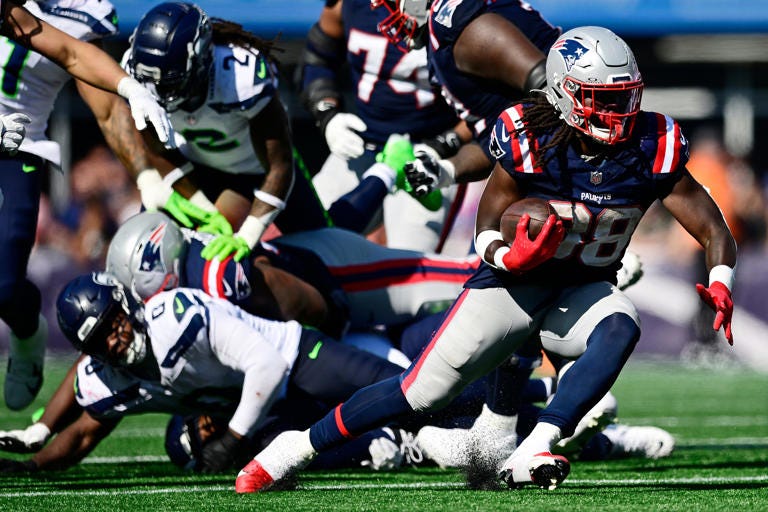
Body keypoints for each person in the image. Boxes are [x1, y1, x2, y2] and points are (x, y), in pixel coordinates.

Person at [233, 26, 736, 494]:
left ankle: (536, 446)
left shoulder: (653, 143)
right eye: (602, 99)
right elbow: (488, 225)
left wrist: (720, 279)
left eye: (625, 97)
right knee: (418, 394)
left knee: (622, 324)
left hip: (582, 288)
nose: (619, 111)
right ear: (565, 94)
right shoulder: (529, 135)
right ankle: (296, 447)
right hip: (511, 286)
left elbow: (712, 226)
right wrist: (511, 256)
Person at [0, 271, 406, 473]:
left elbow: (266, 364)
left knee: (407, 390)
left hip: (296, 359)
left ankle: (437, 406)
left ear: (127, 305)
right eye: (99, 340)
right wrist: (32, 466)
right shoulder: (107, 377)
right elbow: (84, 432)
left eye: (113, 323)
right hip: (262, 408)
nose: (114, 340)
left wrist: (232, 438)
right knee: (222, 448)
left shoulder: (175, 318)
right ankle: (385, 444)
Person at [0, 0, 172, 411]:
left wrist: (146, 174)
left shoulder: (80, 11)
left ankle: (27, 333)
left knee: (4, 286)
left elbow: (74, 56)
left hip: (16, 147)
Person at [104, 211, 481, 341]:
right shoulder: (186, 275)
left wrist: (332, 337)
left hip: (333, 276)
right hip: (312, 305)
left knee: (462, 281)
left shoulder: (215, 274)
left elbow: (306, 305)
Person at [299, 0, 472, 252]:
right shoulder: (348, 5)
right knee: (309, 240)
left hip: (426, 155)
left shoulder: (457, 12)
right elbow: (318, 58)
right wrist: (328, 115)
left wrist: (444, 145)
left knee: (410, 262)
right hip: (362, 144)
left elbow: (488, 105)